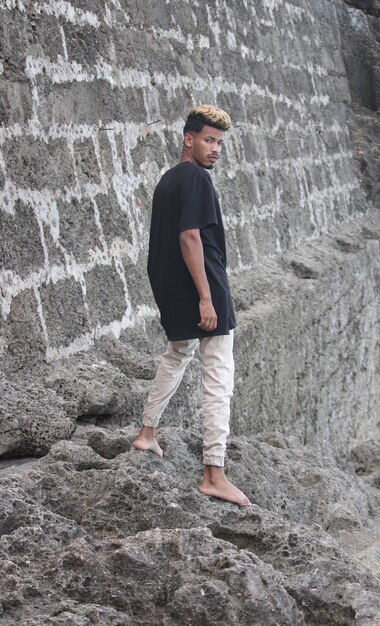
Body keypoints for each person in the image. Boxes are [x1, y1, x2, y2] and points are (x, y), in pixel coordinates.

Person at [133, 105, 250, 506]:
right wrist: (206, 296)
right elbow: (189, 237)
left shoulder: (168, 180)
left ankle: (147, 435)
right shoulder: (196, 179)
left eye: (220, 142)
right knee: (219, 375)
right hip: (204, 287)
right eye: (209, 140)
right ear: (189, 139)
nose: (216, 149)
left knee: (177, 355)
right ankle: (214, 473)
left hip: (173, 288)